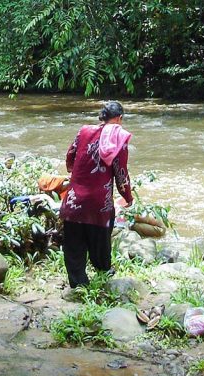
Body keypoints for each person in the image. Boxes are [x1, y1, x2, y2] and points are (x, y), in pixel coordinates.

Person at [60, 101, 133, 293]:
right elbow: (120, 171)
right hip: (99, 200)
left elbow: (70, 155)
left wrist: (75, 173)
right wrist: (127, 196)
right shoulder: (118, 138)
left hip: (74, 198)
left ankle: (78, 283)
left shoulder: (84, 131)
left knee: (73, 242)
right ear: (119, 119)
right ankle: (103, 268)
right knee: (100, 236)